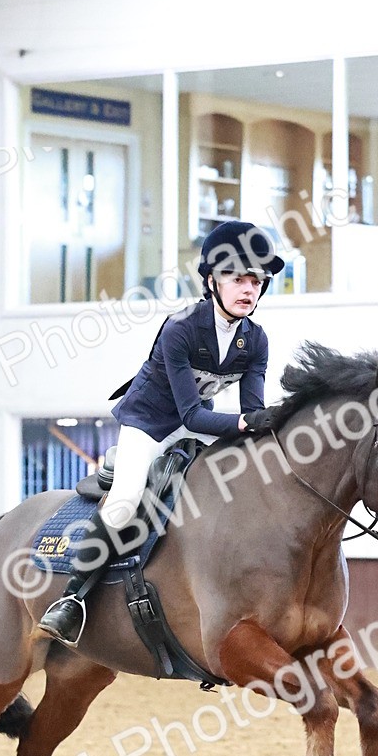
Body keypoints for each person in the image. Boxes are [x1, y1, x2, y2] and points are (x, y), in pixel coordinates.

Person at [38, 220, 284, 648]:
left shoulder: (255, 340)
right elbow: (190, 414)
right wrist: (245, 424)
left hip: (200, 425)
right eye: (238, 278)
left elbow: (251, 412)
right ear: (212, 280)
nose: (248, 289)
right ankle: (72, 599)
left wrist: (266, 425)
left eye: (256, 281)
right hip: (149, 426)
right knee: (127, 499)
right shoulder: (182, 327)